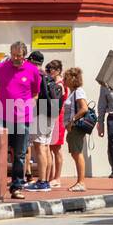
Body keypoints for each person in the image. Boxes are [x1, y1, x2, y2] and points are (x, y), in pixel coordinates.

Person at [0, 41, 40, 199]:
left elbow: (35, 93)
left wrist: (27, 107)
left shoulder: (32, 70)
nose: (15, 58)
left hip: (22, 118)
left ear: (24, 55)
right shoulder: (1, 68)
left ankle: (16, 187)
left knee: (20, 154)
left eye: (19, 56)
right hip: (3, 116)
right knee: (0, 152)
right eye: (13, 55)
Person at [24, 51, 56, 191]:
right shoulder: (46, 75)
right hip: (50, 112)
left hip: (40, 113)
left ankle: (42, 181)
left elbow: (33, 95)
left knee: (39, 148)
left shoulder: (35, 74)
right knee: (46, 147)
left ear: (31, 61)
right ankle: (46, 180)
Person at [61, 67, 91, 192]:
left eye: (66, 78)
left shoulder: (78, 92)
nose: (63, 80)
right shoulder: (73, 92)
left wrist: (72, 121)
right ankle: (80, 181)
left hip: (75, 127)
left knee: (77, 153)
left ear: (72, 79)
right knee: (75, 153)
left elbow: (84, 108)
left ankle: (81, 182)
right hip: (72, 128)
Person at [45, 60, 66, 188]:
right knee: (51, 148)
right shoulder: (54, 83)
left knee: (56, 148)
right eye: (49, 69)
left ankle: (57, 177)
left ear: (58, 70)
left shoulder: (60, 84)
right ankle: (52, 176)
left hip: (59, 117)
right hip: (55, 116)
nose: (50, 71)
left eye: (52, 69)